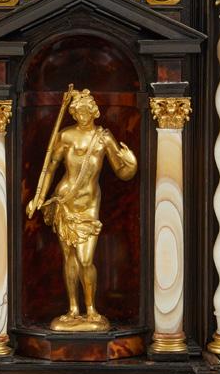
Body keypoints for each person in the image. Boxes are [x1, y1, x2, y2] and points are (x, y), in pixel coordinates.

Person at [26, 88, 137, 331]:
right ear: (73, 113)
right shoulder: (65, 136)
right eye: (78, 112)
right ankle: (74, 309)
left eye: (86, 111)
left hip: (89, 204)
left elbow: (122, 172)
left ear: (94, 111)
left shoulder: (103, 137)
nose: (82, 115)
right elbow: (50, 169)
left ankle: (91, 309)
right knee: (69, 257)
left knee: (86, 259)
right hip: (65, 200)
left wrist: (131, 162)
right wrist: (38, 198)